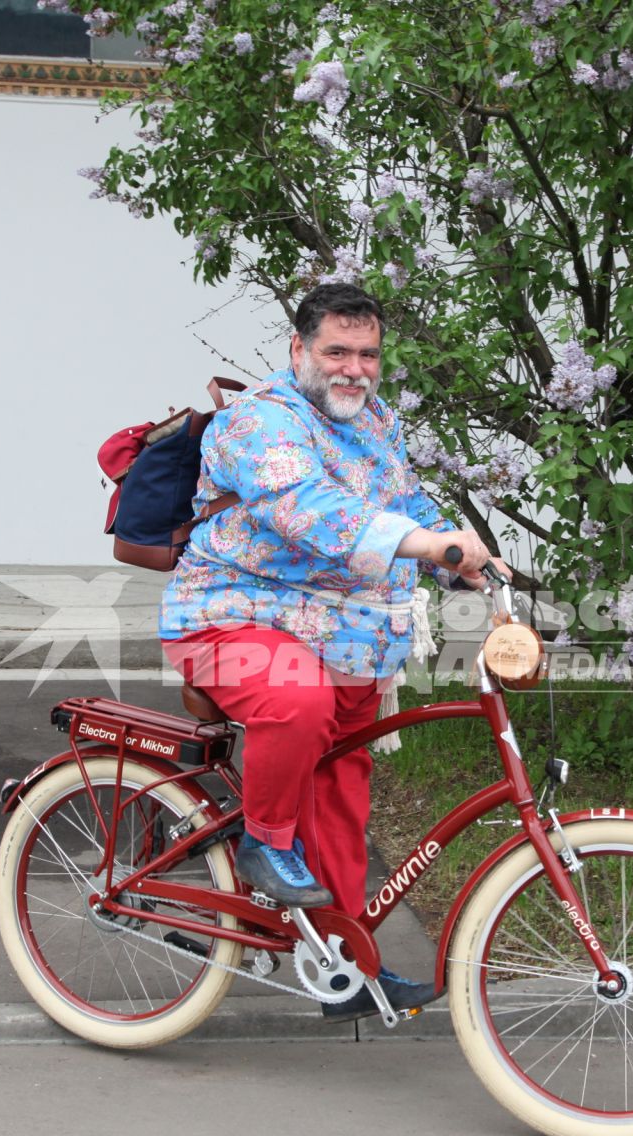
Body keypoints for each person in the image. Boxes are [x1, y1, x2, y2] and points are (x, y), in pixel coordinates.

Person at [160, 282, 495, 1019]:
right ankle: (263, 843)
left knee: (343, 791)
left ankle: (349, 965)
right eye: (335, 351)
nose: (353, 368)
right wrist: (419, 543)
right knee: (296, 698)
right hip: (227, 617)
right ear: (298, 350)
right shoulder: (260, 422)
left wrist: (459, 554)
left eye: (367, 354)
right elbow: (305, 509)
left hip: (345, 639)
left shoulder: (377, 423)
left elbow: (404, 505)